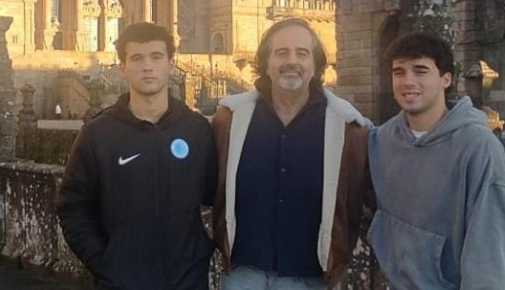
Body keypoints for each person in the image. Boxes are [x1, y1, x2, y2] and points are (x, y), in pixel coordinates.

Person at [211, 17, 373, 289]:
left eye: (302, 53)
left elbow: (362, 196)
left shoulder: (348, 128)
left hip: (309, 277)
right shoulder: (229, 120)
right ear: (265, 63)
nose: (292, 61)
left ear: (316, 64)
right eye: (281, 52)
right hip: (242, 274)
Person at [56, 22, 217, 289]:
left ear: (171, 64)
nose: (147, 66)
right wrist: (106, 263)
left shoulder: (197, 130)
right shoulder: (98, 134)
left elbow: (216, 196)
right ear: (122, 68)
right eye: (137, 58)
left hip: (188, 280)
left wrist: (202, 250)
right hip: (121, 282)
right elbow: (72, 207)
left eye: (156, 57)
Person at [367, 31, 505, 289]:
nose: (408, 81)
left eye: (420, 71)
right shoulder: (381, 140)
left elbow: (492, 251)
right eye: (399, 72)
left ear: (445, 79)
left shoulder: (478, 147)